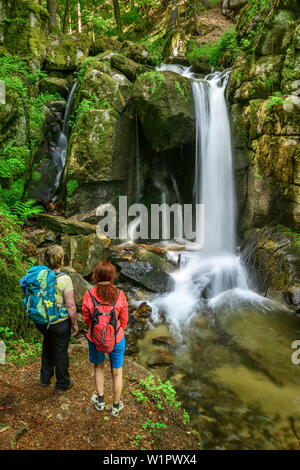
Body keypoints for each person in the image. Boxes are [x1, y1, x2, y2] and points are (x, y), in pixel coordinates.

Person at [82, 261, 128, 417]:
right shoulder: (120, 294)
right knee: (117, 373)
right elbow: (124, 319)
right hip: (116, 338)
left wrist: (96, 331)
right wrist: (115, 330)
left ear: (95, 275)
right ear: (112, 276)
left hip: (95, 340)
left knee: (99, 367)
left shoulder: (89, 294)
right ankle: (116, 406)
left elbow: (87, 318)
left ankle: (100, 401)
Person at [36, 245, 78, 391]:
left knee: (47, 345)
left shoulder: (40, 276)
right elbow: (70, 306)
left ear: (46, 261)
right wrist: (75, 323)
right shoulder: (65, 279)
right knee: (60, 350)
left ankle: (45, 378)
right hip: (59, 323)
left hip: (42, 321)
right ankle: (62, 383)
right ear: (61, 261)